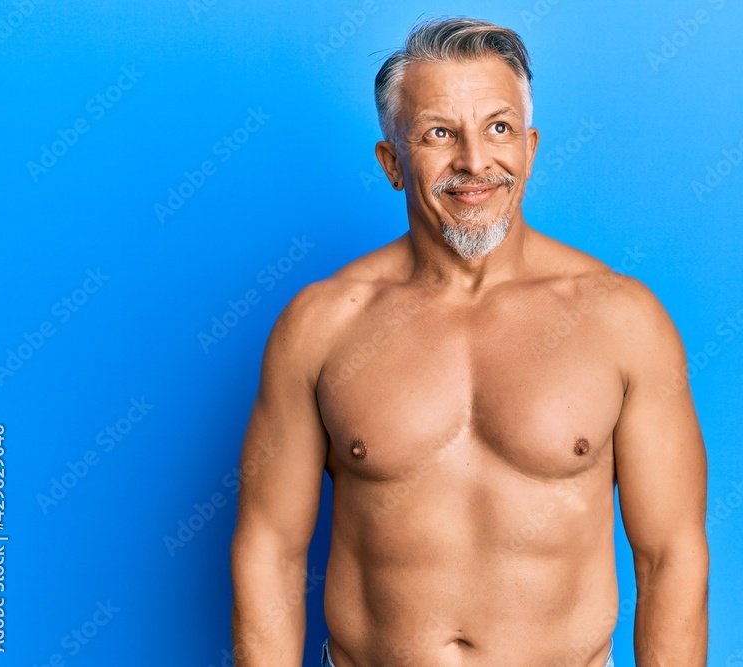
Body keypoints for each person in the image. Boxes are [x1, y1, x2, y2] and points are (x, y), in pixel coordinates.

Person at [230, 17, 708, 667]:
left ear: (531, 148)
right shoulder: (322, 326)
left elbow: (671, 556)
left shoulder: (621, 321)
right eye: (438, 134)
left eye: (499, 128)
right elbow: (270, 551)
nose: (475, 162)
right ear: (393, 162)